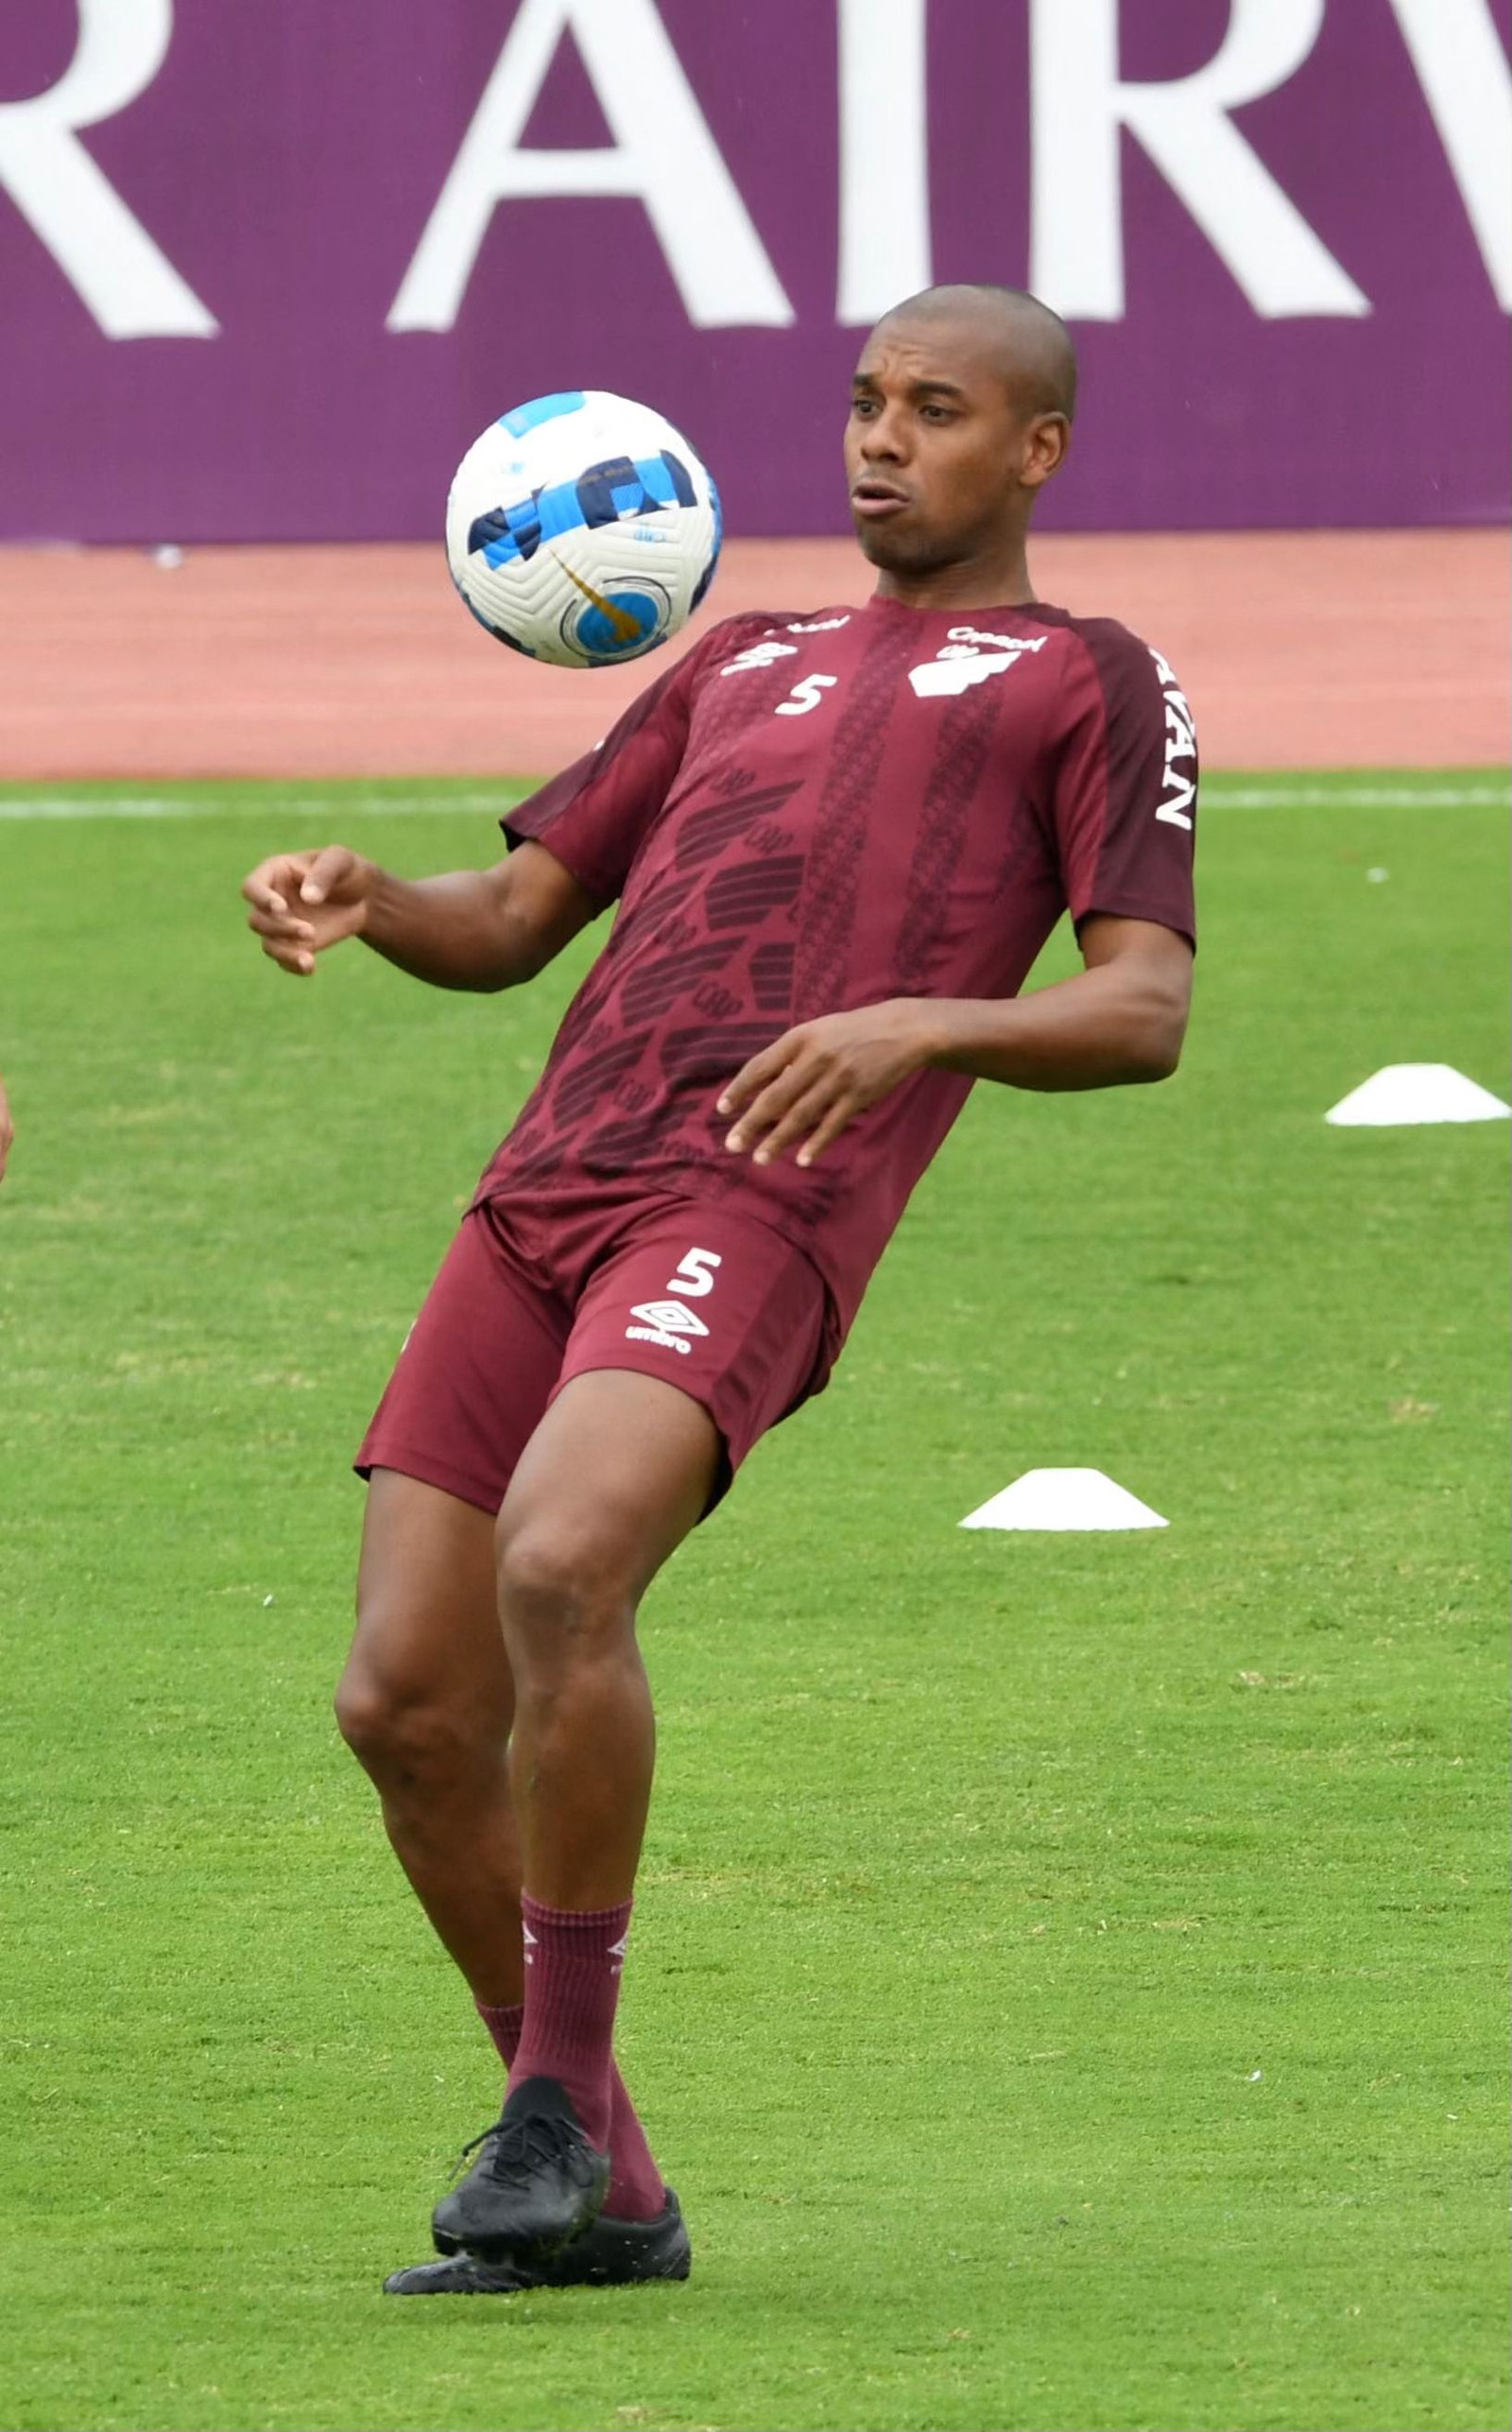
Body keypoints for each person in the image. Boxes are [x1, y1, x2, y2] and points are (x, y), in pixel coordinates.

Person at [241, 284, 1197, 2296]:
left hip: (751, 1197)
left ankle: (547, 2103)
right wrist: (364, 893)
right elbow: (509, 919)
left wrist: (914, 1028)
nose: (876, 441)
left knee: (563, 1566)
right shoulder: (736, 658)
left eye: (932, 411)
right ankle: (613, 2197)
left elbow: (1141, 1004)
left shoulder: (1085, 677)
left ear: (1031, 449)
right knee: (406, 1703)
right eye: (860, 403)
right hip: (540, 1196)